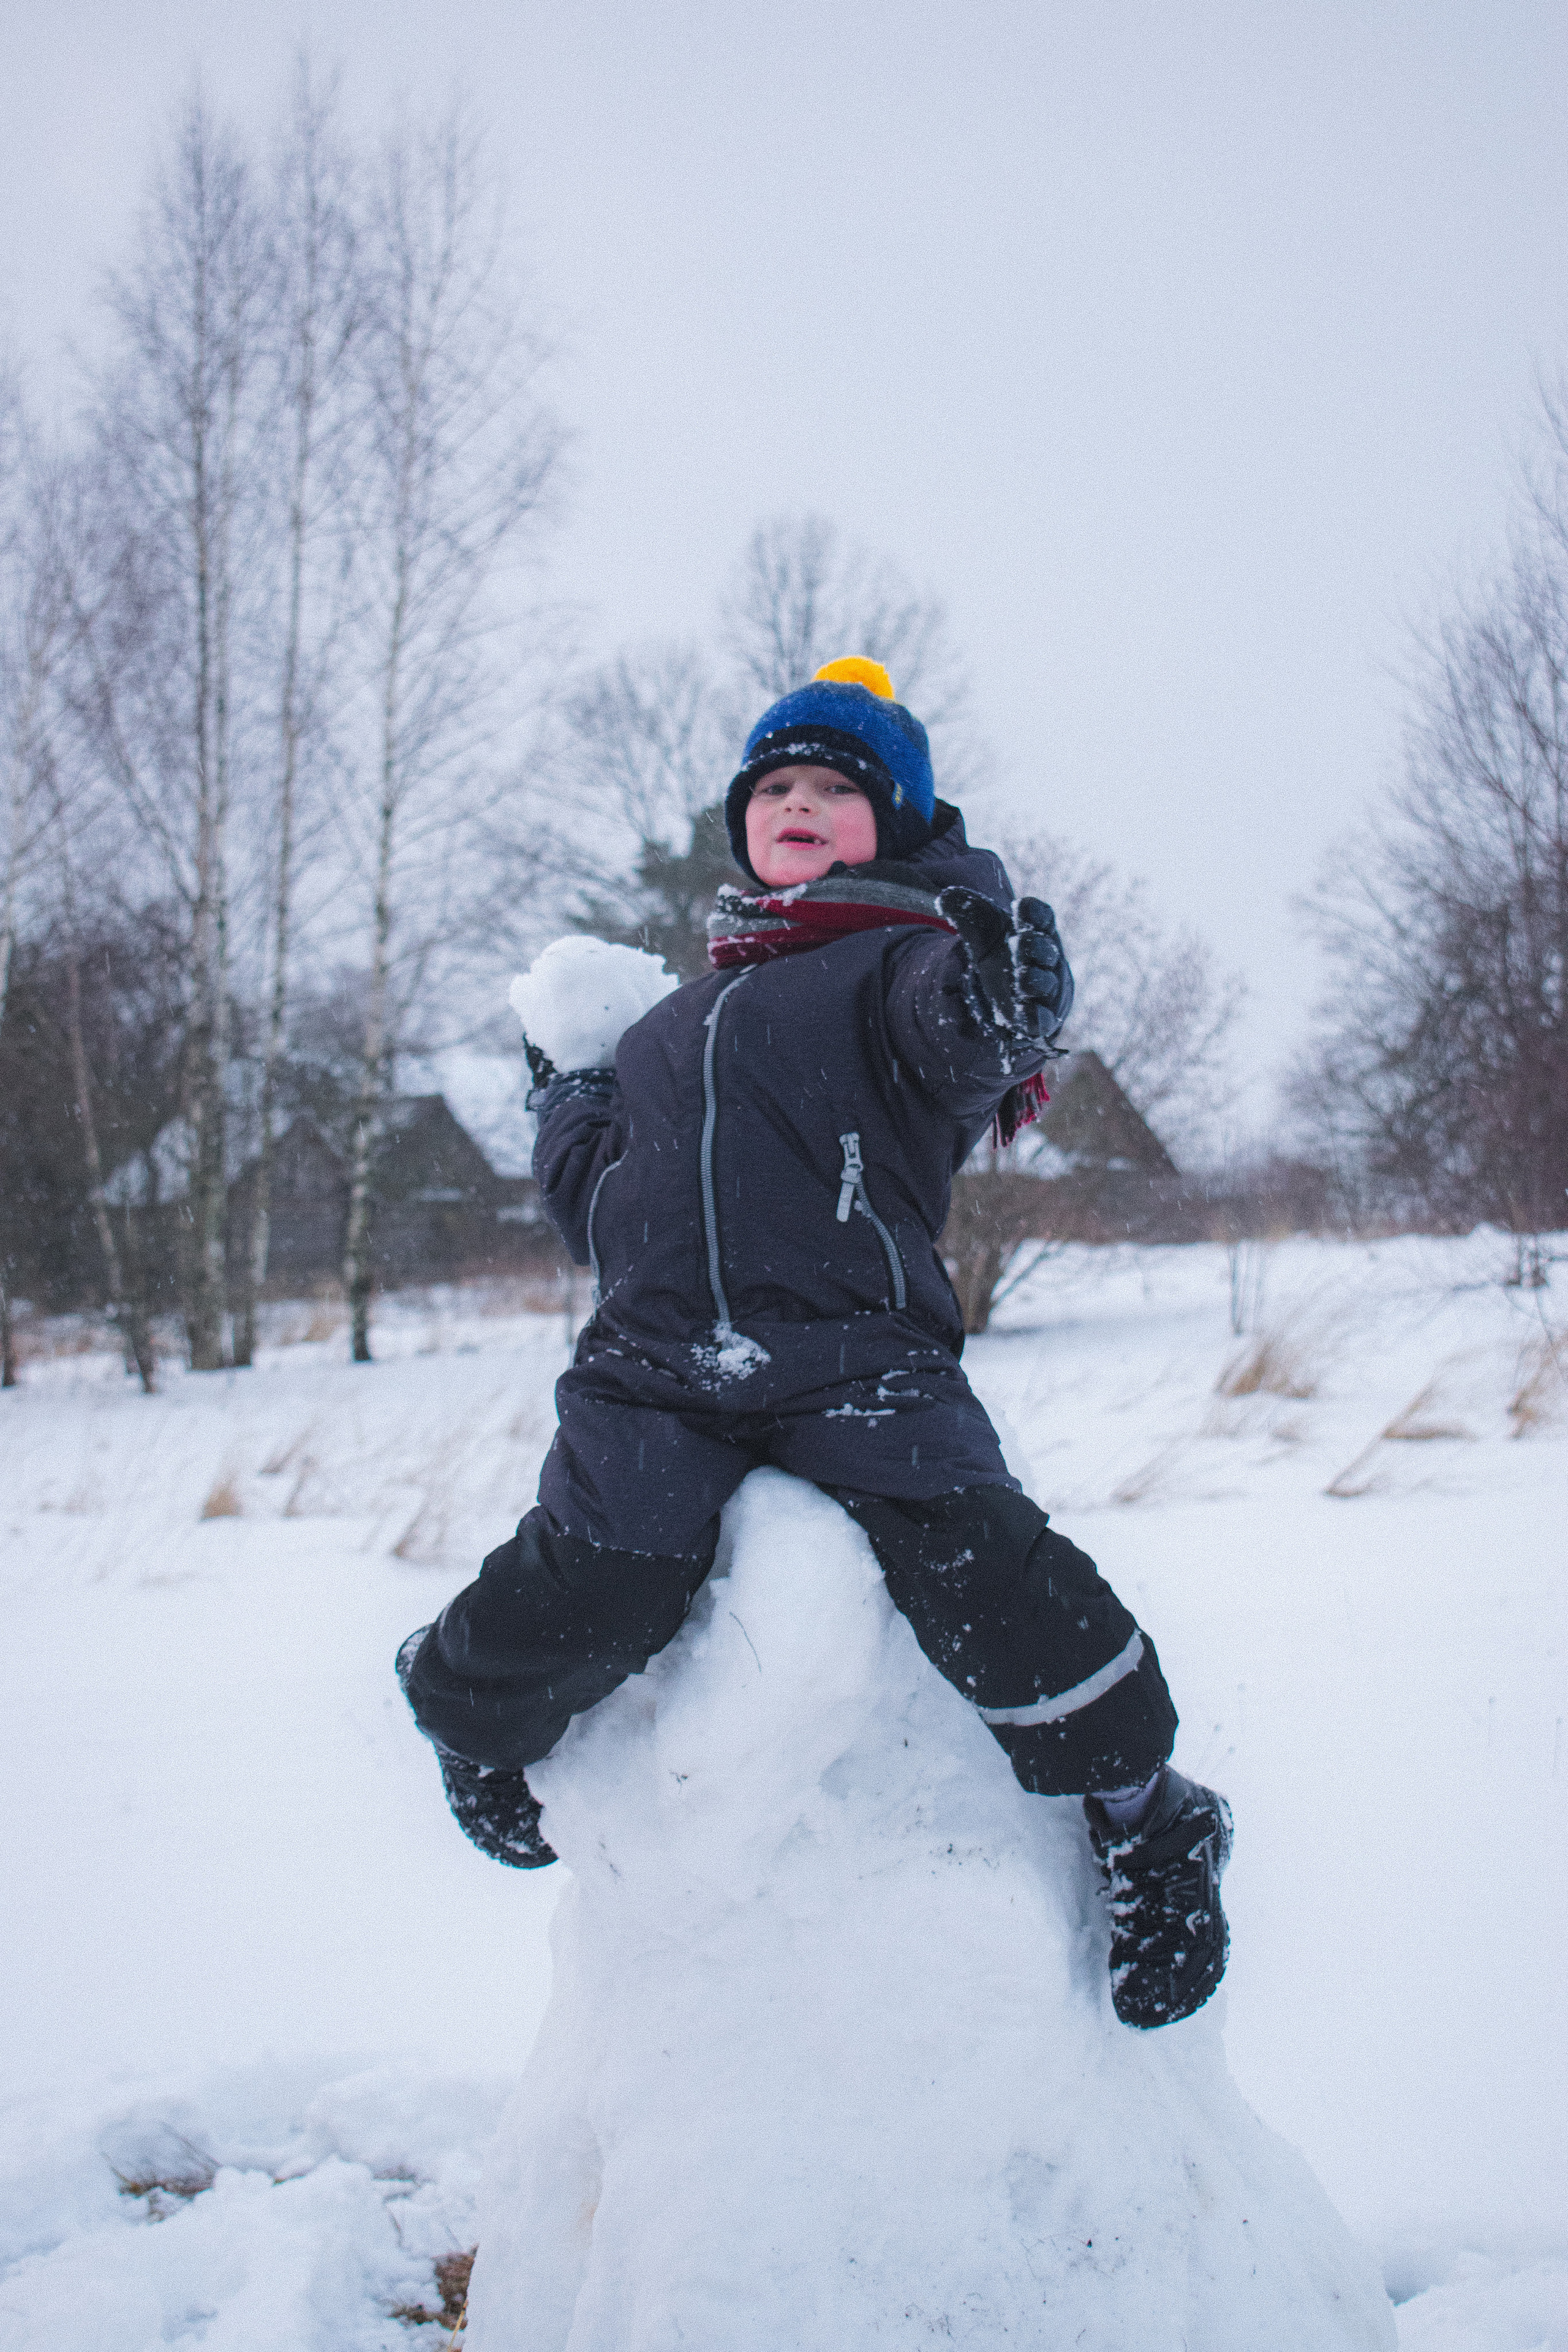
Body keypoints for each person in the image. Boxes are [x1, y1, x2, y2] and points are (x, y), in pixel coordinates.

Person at [398, 657, 1231, 2029]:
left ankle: (1146, 1812)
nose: (795, 803)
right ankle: (463, 1712)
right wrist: (570, 1102)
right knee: (600, 1565)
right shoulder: (671, 1026)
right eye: (772, 785)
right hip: (660, 1367)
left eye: (833, 788)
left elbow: (957, 1041)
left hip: (857, 1356)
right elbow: (601, 1208)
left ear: (888, 824)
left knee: (981, 1564)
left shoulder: (896, 968)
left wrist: (1000, 1003)